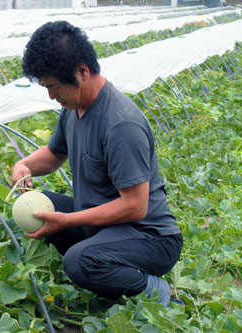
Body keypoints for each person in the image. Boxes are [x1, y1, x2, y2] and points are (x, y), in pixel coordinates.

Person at [11, 21, 182, 306]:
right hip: (106, 223)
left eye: (53, 87)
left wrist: (67, 221)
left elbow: (135, 206)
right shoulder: (74, 106)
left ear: (82, 71)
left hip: (149, 236)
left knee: (79, 262)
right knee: (37, 208)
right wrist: (24, 165)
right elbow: (54, 155)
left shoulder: (121, 124)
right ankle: (105, 268)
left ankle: (154, 291)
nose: (51, 97)